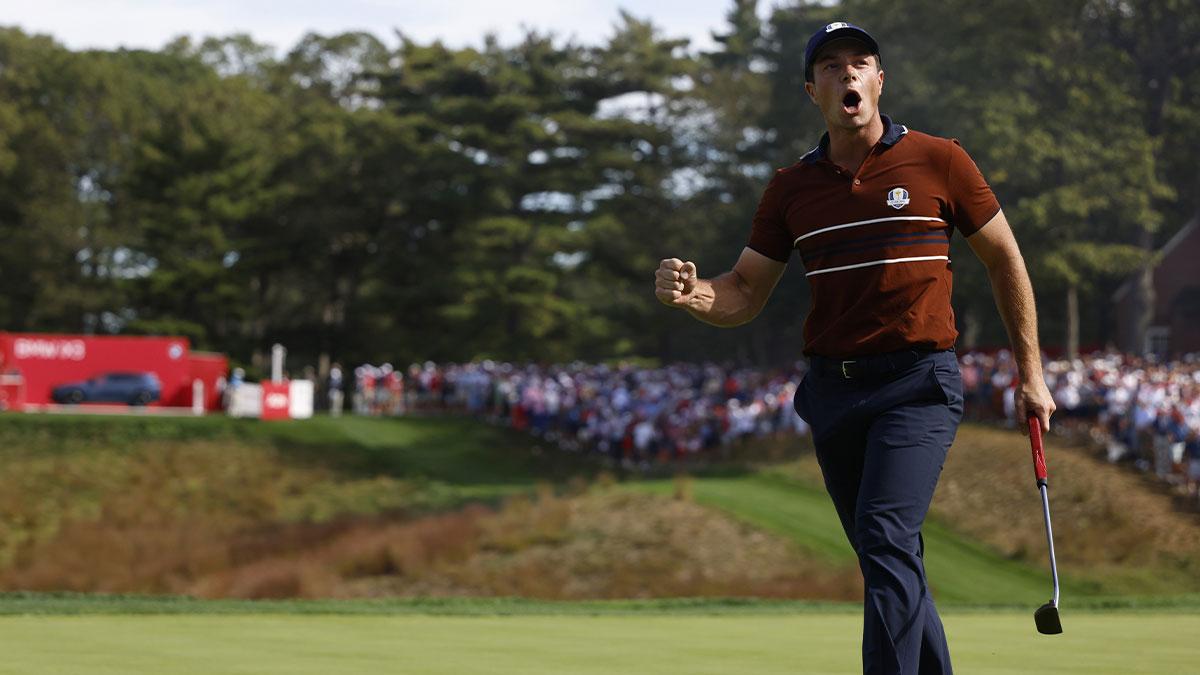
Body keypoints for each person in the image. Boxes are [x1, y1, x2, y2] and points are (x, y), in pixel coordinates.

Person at [653, 21, 1055, 675]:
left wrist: (1030, 373)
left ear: (878, 81)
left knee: (883, 534)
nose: (848, 74)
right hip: (834, 392)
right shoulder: (791, 188)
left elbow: (1005, 257)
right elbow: (745, 290)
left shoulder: (939, 160)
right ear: (812, 89)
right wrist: (692, 294)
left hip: (918, 382)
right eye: (832, 66)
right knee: (888, 555)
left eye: (860, 63)